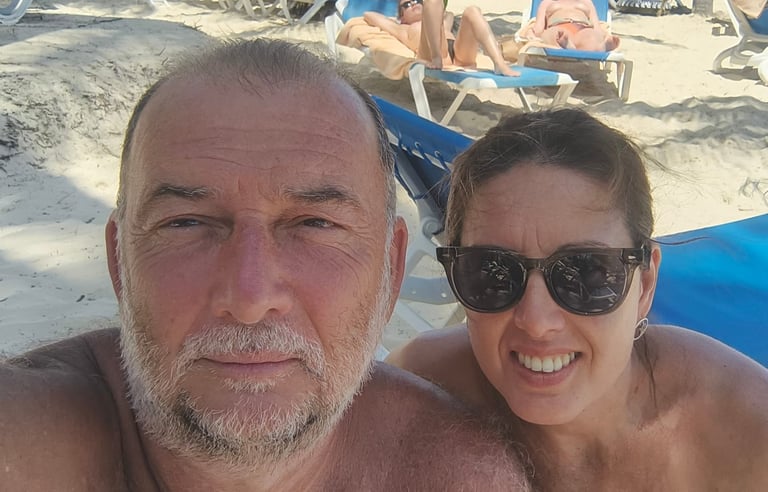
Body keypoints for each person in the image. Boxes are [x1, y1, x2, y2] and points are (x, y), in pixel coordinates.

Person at [0, 39, 531, 491]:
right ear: (120, 262)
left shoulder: (455, 476)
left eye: (315, 224)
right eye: (187, 223)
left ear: (390, 271)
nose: (250, 299)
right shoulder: (25, 441)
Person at [388, 109, 768, 490]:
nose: (536, 321)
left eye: (586, 273)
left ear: (645, 283)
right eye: (493, 272)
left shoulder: (747, 432)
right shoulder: (416, 394)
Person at [363, 0, 519, 76]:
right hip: (431, 53)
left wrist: (435, 13)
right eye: (407, 5)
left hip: (458, 55)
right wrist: (395, 21)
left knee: (472, 10)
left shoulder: (440, 24)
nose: (414, 4)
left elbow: (449, 14)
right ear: (402, 17)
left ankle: (499, 63)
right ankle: (436, 57)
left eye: (417, 1)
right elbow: (368, 15)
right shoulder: (402, 28)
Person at [531, 0, 619, 51]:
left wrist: (601, 35)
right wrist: (533, 33)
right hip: (558, 26)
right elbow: (539, 29)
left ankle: (601, 47)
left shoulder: (586, 2)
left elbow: (596, 27)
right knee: (554, 35)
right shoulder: (547, 2)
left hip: (582, 27)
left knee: (590, 37)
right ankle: (567, 44)